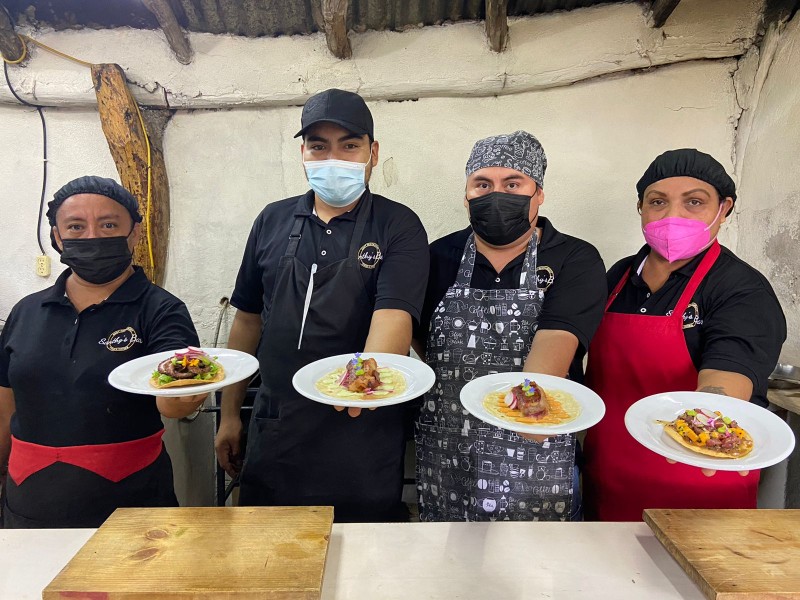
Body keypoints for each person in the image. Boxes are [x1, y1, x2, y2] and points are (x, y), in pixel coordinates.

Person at [214, 89, 429, 522]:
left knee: (359, 564)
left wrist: (360, 392)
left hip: (362, 429)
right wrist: (230, 413)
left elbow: (393, 317)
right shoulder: (271, 220)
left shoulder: (397, 225)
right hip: (278, 425)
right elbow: (247, 320)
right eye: (319, 145)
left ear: (373, 152)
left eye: (350, 145)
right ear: (303, 154)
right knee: (269, 560)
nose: (334, 158)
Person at [582, 149, 787, 521]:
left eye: (694, 202)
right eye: (658, 202)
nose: (673, 215)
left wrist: (712, 422)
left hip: (699, 488)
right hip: (608, 482)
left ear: (724, 208)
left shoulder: (740, 288)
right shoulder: (618, 276)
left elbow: (730, 370)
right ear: (641, 208)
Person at [413, 131, 607, 521]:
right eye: (482, 184)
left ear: (538, 193)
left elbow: (558, 337)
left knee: (536, 567)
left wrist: (528, 415)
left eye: (513, 183)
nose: (495, 194)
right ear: (466, 193)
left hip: (537, 439)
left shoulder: (574, 258)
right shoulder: (437, 256)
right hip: (450, 442)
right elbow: (421, 335)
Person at [0, 176, 206, 528]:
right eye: (75, 226)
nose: (92, 236)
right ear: (56, 236)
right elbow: (6, 407)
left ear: (135, 233)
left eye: (108, 224)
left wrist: (190, 390)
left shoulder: (160, 309)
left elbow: (171, 403)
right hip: (28, 502)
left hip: (131, 507)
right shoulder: (26, 312)